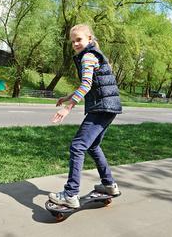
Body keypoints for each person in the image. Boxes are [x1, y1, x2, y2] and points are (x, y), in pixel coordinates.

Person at [49, 24, 122, 208]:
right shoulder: (93, 54)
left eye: (79, 39)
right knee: (93, 146)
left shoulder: (88, 57)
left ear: (89, 38)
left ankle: (70, 193)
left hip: (101, 108)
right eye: (73, 41)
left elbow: (86, 84)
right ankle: (109, 184)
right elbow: (92, 84)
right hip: (109, 107)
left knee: (78, 146)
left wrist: (68, 107)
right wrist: (67, 96)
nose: (75, 44)